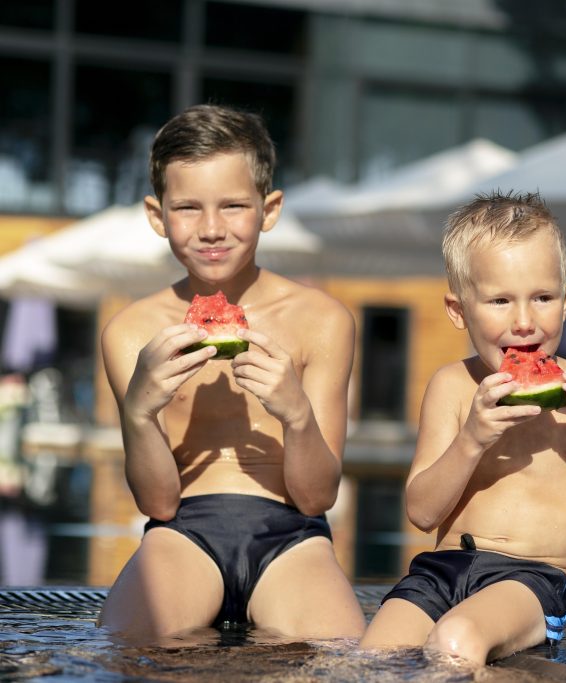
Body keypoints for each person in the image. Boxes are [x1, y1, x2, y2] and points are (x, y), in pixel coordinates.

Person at [360, 191, 566, 664]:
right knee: (370, 660)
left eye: (542, 298)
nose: (524, 322)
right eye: (501, 300)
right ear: (458, 310)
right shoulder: (451, 385)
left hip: (533, 582)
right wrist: (472, 439)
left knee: (455, 642)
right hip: (439, 570)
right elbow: (422, 513)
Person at [97, 104, 365, 643]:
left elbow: (316, 497)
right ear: (157, 215)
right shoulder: (130, 331)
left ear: (270, 209)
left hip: (293, 535)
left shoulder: (323, 320)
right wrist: (139, 414)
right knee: (126, 649)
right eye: (188, 208)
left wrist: (296, 415)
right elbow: (158, 503)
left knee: (337, 657)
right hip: (181, 533)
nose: (212, 229)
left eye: (234, 206)